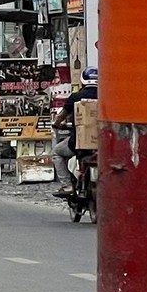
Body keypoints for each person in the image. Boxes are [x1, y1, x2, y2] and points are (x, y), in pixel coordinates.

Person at [52, 67, 99, 198]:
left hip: (79, 142)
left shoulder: (76, 96)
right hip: (103, 142)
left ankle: (67, 185)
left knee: (57, 152)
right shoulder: (107, 96)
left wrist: (57, 124)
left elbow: (61, 115)